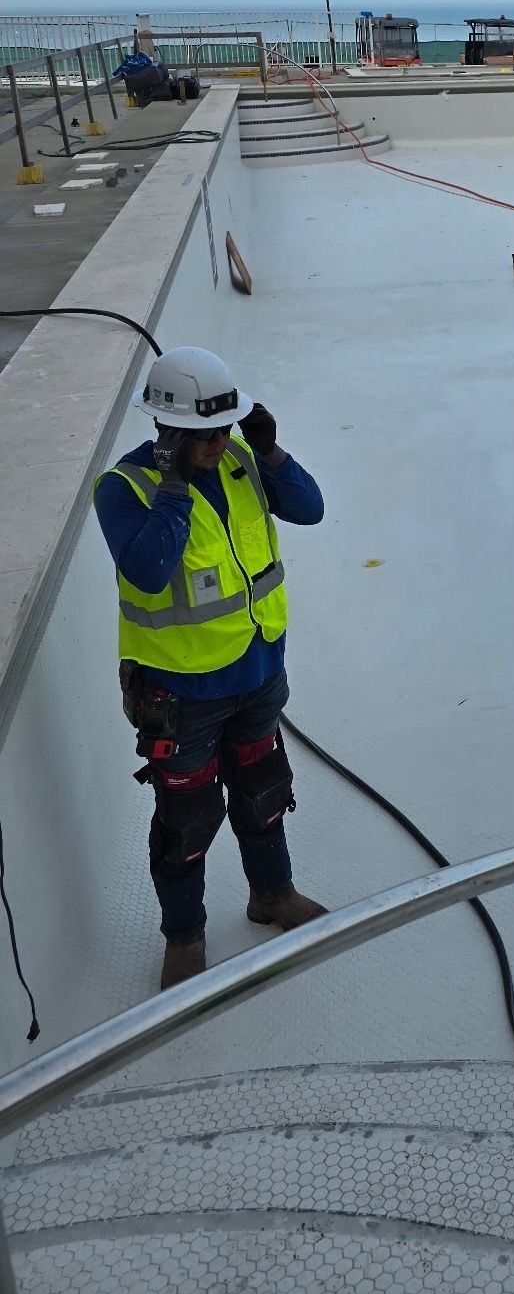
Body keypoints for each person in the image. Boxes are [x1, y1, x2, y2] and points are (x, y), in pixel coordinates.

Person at [93, 346, 327, 989]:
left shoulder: (243, 462)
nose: (220, 441)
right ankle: (184, 939)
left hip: (258, 669)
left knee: (263, 790)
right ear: (165, 429)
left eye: (226, 427)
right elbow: (146, 568)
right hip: (182, 691)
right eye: (204, 433)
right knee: (186, 819)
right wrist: (173, 488)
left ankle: (272, 895)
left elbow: (310, 509)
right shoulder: (124, 488)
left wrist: (272, 453)